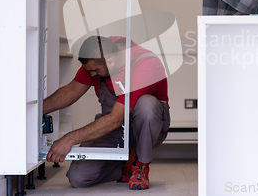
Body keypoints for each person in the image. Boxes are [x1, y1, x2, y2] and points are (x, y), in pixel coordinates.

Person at [43, 35, 170, 190]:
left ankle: (140, 165)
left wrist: (69, 139)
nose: (91, 75)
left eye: (94, 71)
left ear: (111, 62)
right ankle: (125, 166)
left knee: (147, 105)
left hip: (145, 128)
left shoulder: (146, 64)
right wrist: (35, 110)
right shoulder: (98, 54)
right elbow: (70, 91)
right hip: (115, 127)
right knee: (78, 178)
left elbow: (116, 118)